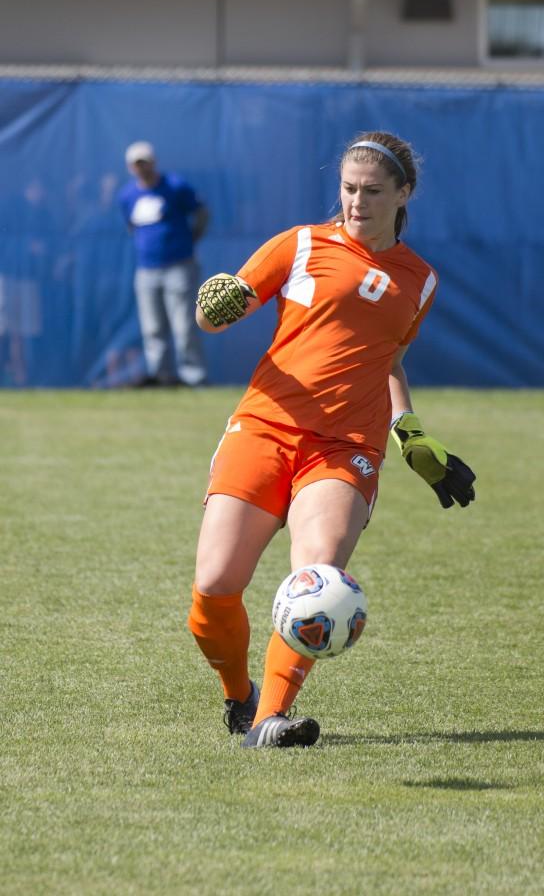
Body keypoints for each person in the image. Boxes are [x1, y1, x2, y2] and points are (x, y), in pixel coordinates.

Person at [187, 131, 476, 749]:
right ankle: (240, 697)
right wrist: (215, 308)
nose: (356, 202)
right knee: (214, 585)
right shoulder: (299, 245)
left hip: (346, 446)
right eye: (348, 188)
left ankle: (271, 718)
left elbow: (387, 363)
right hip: (263, 425)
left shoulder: (420, 280)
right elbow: (215, 316)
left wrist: (412, 433)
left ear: (403, 194)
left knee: (318, 583)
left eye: (373, 191)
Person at [118, 141, 209, 386]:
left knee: (183, 325)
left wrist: (191, 240)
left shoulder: (175, 187)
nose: (142, 168)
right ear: (130, 167)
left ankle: (193, 377)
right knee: (153, 328)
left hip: (178, 266)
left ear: (153, 163)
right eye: (137, 164)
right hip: (147, 269)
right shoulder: (127, 195)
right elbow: (131, 226)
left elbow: (201, 213)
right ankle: (161, 377)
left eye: (145, 163)